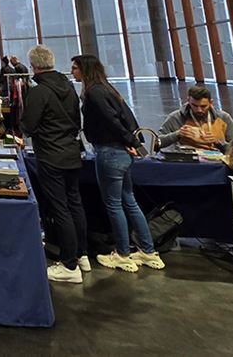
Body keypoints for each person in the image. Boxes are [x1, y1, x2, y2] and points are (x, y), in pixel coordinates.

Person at [71, 55, 165, 273]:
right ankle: (147, 250)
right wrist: (134, 141)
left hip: (110, 151)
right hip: (121, 151)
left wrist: (131, 141)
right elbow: (127, 117)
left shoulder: (95, 92)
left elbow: (112, 120)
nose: (72, 72)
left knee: (114, 204)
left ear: (84, 70)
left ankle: (122, 253)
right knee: (129, 201)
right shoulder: (107, 88)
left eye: (75, 68)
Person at [21, 45, 87, 283]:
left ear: (34, 66)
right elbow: (76, 119)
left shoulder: (39, 91)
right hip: (71, 151)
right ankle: (82, 254)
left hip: (51, 154)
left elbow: (28, 124)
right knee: (74, 203)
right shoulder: (68, 86)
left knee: (60, 208)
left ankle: (69, 266)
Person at [158, 86, 233, 151]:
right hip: (188, 163)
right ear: (188, 101)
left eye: (203, 106)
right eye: (194, 105)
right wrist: (177, 134)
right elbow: (156, 143)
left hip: (218, 162)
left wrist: (219, 143)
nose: (199, 110)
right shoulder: (176, 117)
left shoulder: (224, 117)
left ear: (211, 103)